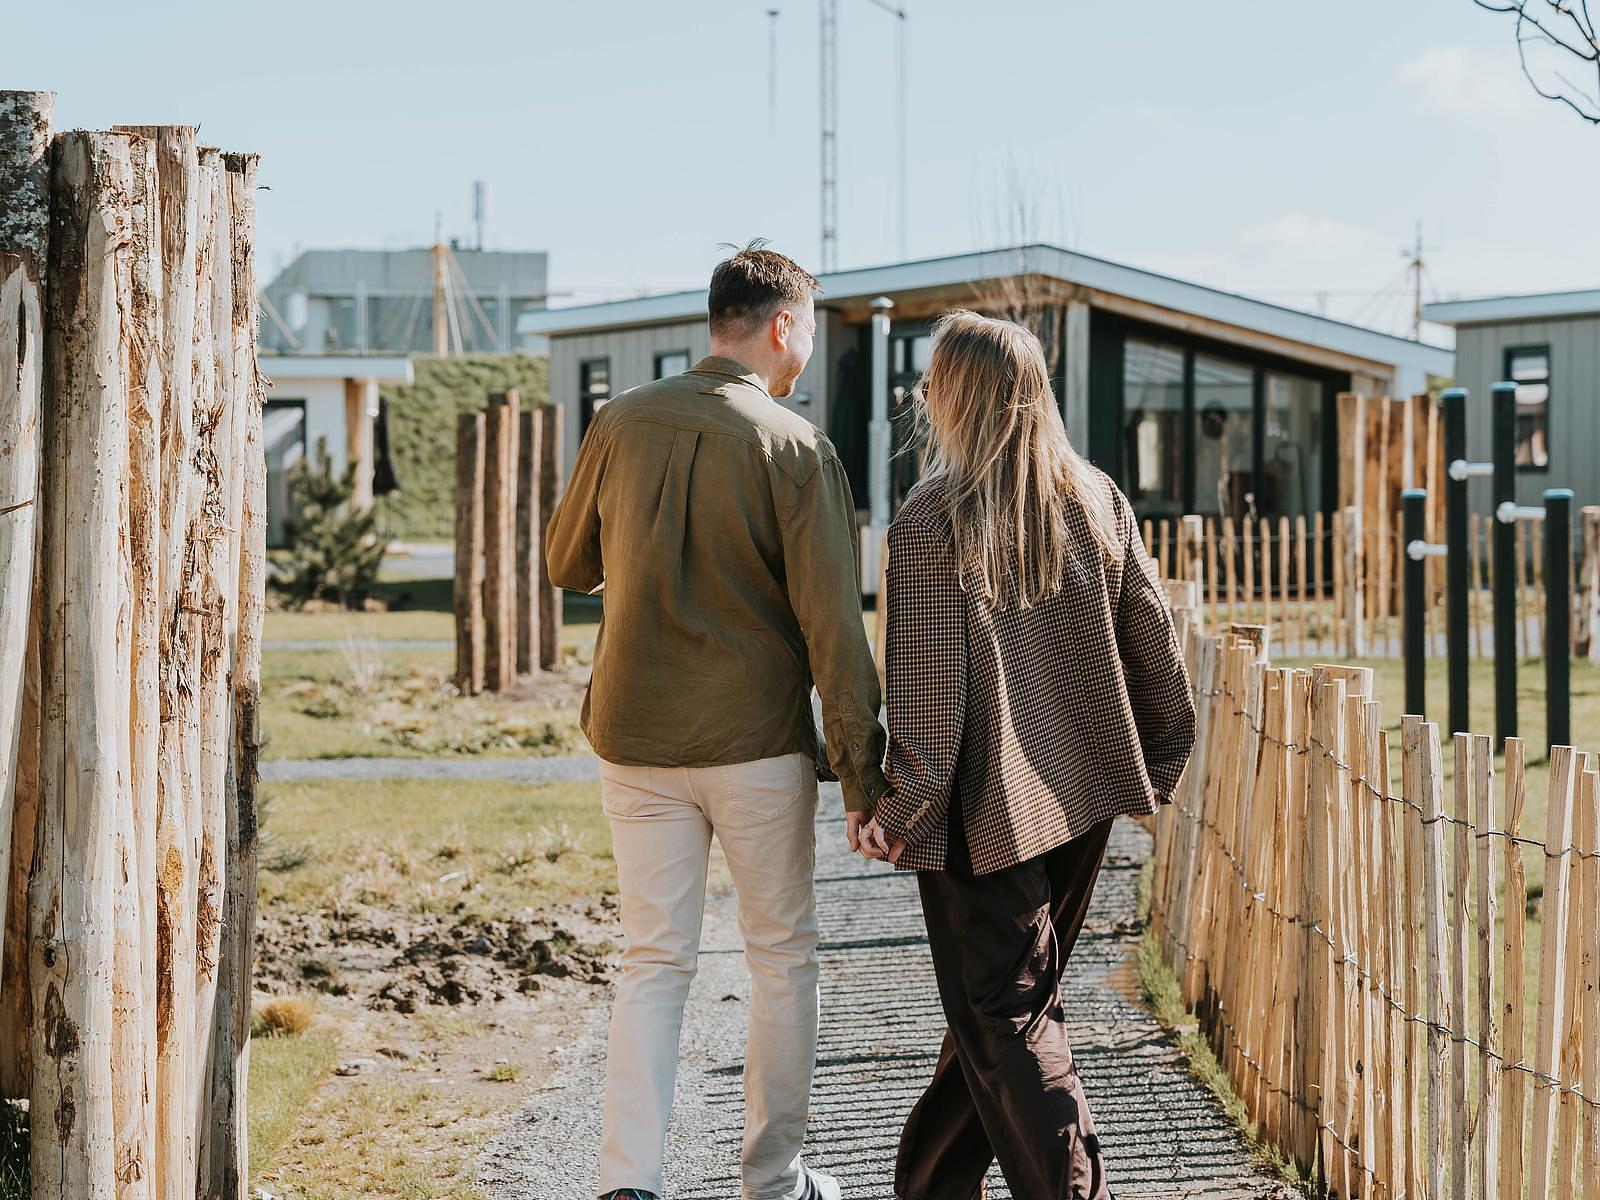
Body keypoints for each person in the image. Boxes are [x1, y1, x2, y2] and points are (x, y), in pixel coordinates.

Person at [545, 242, 888, 1200]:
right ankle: (772, 1183)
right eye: (809, 332)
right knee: (782, 959)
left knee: (653, 961)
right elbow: (835, 630)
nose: (807, 351)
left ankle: (629, 1182)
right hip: (755, 745)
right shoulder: (794, 447)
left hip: (637, 735)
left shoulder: (619, 421)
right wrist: (862, 775)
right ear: (782, 327)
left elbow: (570, 564)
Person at [858, 311, 1196, 1200]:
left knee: (1005, 1017)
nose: (924, 393)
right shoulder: (1096, 496)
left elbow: (929, 704)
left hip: (985, 812)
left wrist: (899, 815)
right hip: (1082, 796)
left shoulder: (934, 516)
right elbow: (1157, 655)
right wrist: (1149, 770)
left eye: (933, 379)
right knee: (1002, 1014)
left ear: (957, 395)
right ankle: (930, 1185)